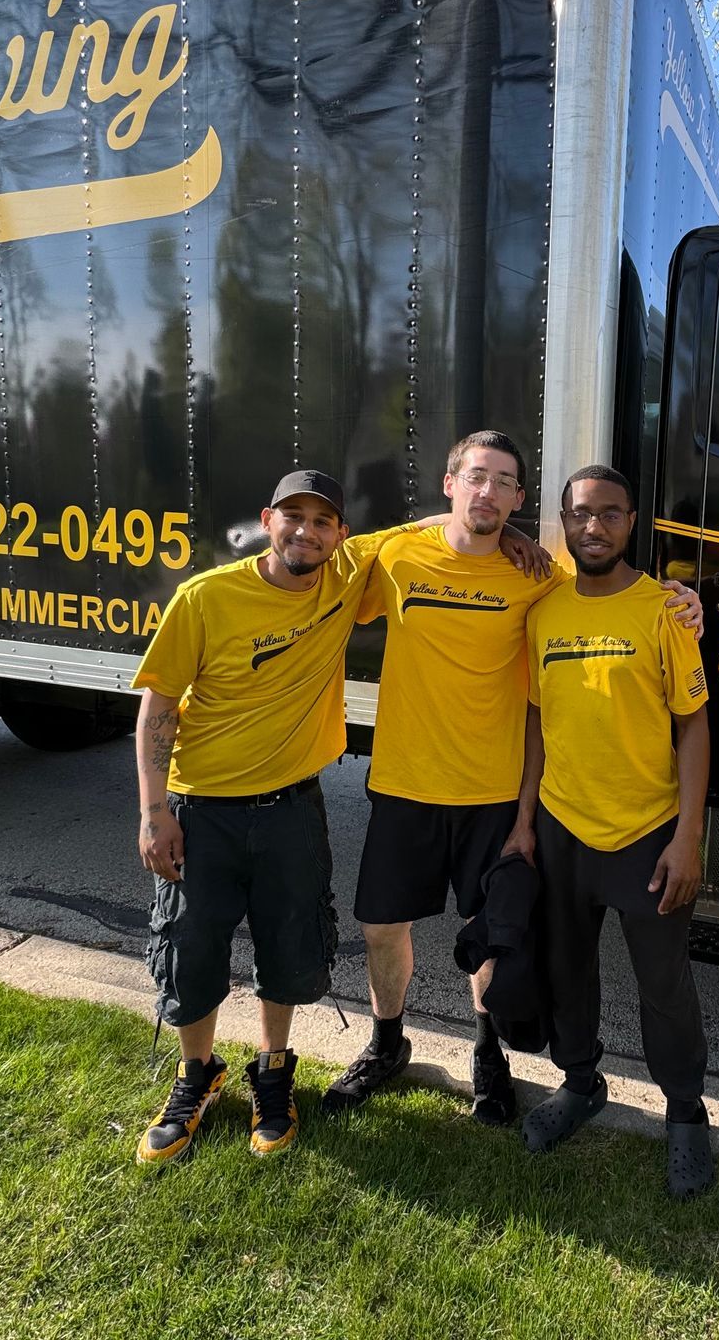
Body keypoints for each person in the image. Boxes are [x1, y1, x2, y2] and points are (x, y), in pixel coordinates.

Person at [128, 470, 539, 1163]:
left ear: (341, 537)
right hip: (203, 810)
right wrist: (152, 810)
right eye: (294, 517)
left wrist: (507, 530)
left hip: (294, 803)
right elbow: (158, 706)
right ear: (267, 519)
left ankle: (274, 1072)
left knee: (288, 948)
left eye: (324, 523)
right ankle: (196, 1075)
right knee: (193, 949)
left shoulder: (345, 579)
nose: (307, 532)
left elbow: (449, 532)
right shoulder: (207, 596)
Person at [323, 432, 701, 1125]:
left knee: (492, 934)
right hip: (406, 783)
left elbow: (602, 596)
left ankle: (487, 1054)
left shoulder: (540, 578)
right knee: (381, 927)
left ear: (522, 500)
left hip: (494, 792)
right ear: (449, 483)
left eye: (503, 482)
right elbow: (323, 558)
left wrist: (683, 603)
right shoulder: (398, 555)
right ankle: (386, 1044)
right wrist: (440, 523)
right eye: (475, 478)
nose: (487, 492)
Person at [512, 465, 713, 1197]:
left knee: (664, 986)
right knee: (570, 972)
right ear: (561, 523)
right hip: (565, 828)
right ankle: (579, 1083)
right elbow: (537, 720)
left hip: (648, 834)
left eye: (608, 514)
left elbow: (693, 725)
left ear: (632, 522)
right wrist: (527, 819)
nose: (592, 527)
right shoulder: (543, 612)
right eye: (578, 514)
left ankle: (686, 1114)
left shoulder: (663, 608)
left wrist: (688, 834)